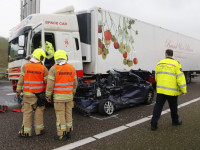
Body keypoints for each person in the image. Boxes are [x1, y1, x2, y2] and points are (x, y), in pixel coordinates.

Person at [151, 49, 187, 131]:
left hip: (161, 90)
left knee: (158, 107)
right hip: (172, 91)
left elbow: (156, 76)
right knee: (173, 108)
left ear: (166, 54)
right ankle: (175, 122)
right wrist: (183, 90)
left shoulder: (159, 63)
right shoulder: (176, 63)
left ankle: (153, 124)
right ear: (172, 55)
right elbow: (180, 78)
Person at [45, 50, 77, 140]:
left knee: (60, 115)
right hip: (69, 97)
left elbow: (50, 85)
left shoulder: (53, 68)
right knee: (68, 114)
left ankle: (61, 134)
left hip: (59, 98)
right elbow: (75, 83)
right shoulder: (71, 68)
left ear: (56, 58)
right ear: (65, 57)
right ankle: (69, 131)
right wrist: (73, 93)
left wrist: (48, 96)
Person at [16, 48, 48, 137]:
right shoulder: (43, 68)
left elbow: (20, 81)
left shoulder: (25, 66)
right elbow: (47, 82)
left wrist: (18, 92)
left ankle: (26, 132)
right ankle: (39, 131)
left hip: (27, 95)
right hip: (39, 96)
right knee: (39, 113)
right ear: (41, 58)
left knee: (27, 113)